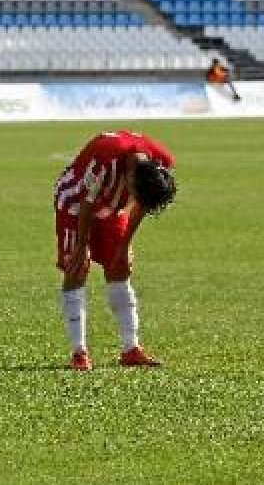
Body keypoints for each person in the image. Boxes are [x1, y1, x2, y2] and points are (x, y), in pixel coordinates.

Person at [53, 130, 178, 371]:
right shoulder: (105, 160)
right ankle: (79, 352)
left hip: (112, 205)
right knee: (78, 268)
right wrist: (80, 247)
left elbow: (142, 203)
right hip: (75, 203)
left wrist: (124, 244)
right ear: (129, 178)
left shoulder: (159, 164)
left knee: (119, 266)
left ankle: (131, 349)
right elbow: (87, 204)